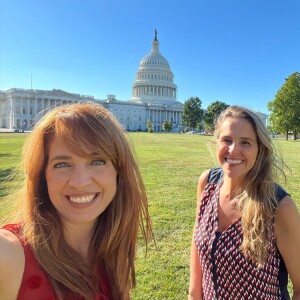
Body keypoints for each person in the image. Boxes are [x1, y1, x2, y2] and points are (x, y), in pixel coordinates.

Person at [0, 102, 152, 300]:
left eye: (97, 161)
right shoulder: (9, 255)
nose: (80, 182)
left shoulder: (114, 249)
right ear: (42, 176)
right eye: (62, 164)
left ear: (119, 173)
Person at [189, 106, 300, 299]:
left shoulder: (279, 206)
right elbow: (197, 243)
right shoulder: (207, 183)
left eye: (246, 143)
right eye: (227, 140)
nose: (233, 150)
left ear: (260, 150)